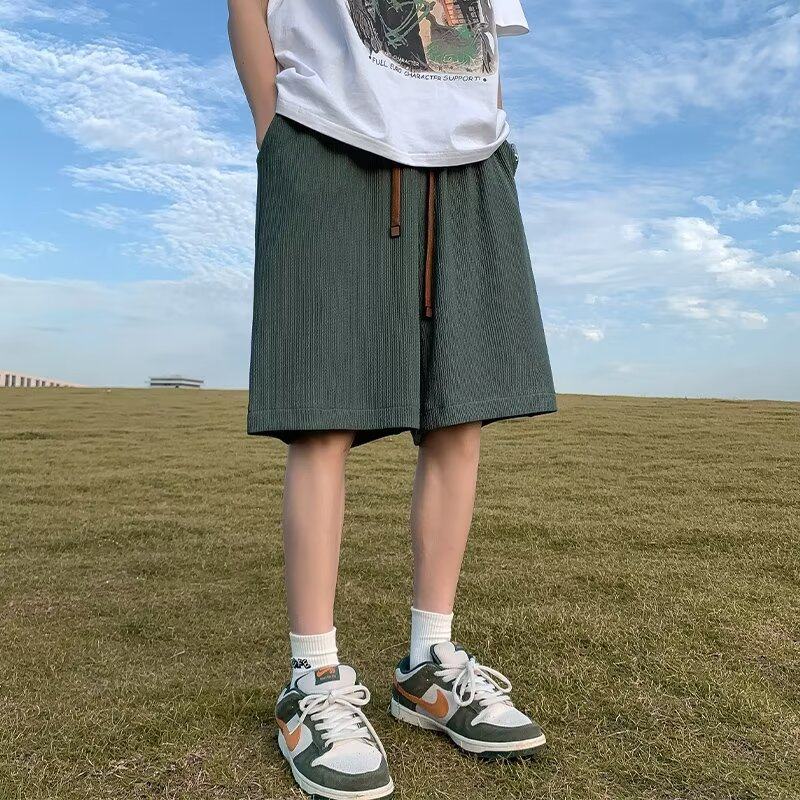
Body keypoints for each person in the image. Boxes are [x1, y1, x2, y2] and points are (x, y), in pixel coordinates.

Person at [228, 1, 556, 797]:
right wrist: (275, 133)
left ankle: (429, 665)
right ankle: (313, 677)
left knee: (459, 412)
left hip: (469, 156)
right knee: (321, 414)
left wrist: (492, 127)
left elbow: (480, 26)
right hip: (325, 133)